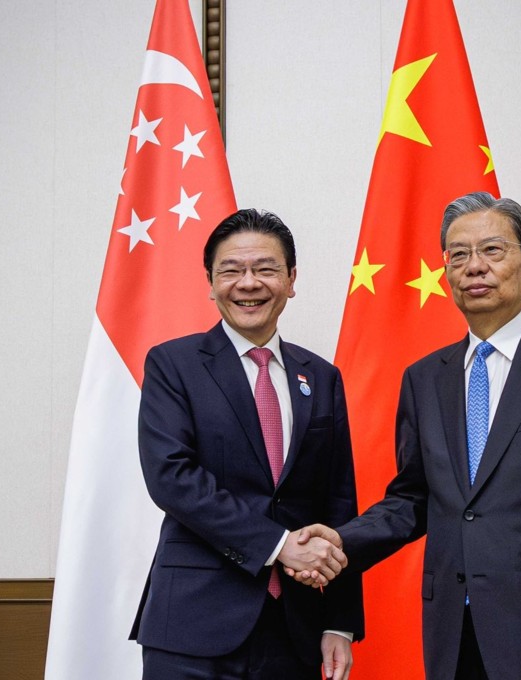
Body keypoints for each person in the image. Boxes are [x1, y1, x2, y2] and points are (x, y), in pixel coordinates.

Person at [292, 192, 521, 680]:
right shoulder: (424, 378)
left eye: (492, 251)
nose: (474, 267)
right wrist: (340, 542)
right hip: (453, 629)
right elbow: (413, 498)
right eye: (458, 255)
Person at [130, 208, 364, 680]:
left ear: (291, 279)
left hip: (293, 629)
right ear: (211, 282)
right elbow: (172, 477)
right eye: (231, 271)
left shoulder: (320, 377)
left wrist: (340, 620)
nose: (248, 283)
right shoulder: (173, 364)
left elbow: (338, 500)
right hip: (194, 627)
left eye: (265, 268)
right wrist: (278, 544)